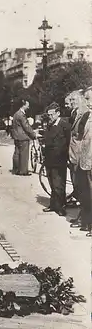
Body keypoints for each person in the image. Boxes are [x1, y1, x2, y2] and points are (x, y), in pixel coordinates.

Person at [42, 102, 71, 217]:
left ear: (58, 113)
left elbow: (68, 142)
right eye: (48, 115)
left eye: (52, 114)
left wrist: (67, 156)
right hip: (49, 158)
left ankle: (61, 207)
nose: (50, 117)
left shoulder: (64, 125)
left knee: (59, 184)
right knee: (52, 183)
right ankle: (53, 205)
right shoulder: (49, 125)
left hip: (60, 159)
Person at [65, 90, 89, 220]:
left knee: (81, 187)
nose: (71, 102)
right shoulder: (75, 113)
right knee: (77, 185)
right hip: (74, 154)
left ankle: (83, 217)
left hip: (80, 155)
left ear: (81, 100)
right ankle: (82, 216)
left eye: (74, 100)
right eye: (71, 100)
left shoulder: (84, 114)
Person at [75, 86, 92, 236]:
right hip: (85, 160)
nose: (87, 102)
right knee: (86, 194)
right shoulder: (87, 116)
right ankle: (87, 223)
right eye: (86, 99)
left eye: (89, 98)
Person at [11, 100, 36, 175]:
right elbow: (26, 126)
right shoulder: (21, 115)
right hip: (23, 137)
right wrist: (33, 134)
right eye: (27, 105)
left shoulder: (16, 114)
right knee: (24, 154)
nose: (28, 107)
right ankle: (23, 171)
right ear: (23, 105)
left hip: (17, 137)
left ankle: (16, 169)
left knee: (17, 153)